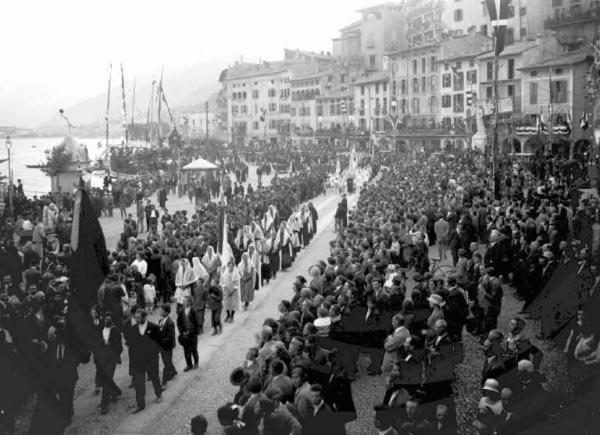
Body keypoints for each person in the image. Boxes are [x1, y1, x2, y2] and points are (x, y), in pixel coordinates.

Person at [129, 309, 162, 412]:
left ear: (144, 317)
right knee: (139, 383)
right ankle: (140, 404)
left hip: (151, 359)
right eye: (135, 318)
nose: (136, 320)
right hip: (139, 361)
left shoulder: (154, 327)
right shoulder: (133, 329)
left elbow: (159, 343)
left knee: (154, 377)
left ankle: (158, 394)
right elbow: (132, 346)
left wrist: (154, 355)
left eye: (138, 318)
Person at [96, 312, 122, 415]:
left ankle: (104, 404)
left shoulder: (115, 331)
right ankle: (115, 394)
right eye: (106, 319)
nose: (107, 321)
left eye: (109, 319)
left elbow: (119, 347)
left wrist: (111, 346)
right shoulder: (99, 330)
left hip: (111, 359)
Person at [177, 295, 200, 371]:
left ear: (190, 302)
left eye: (185, 301)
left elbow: (197, 323)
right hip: (184, 334)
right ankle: (189, 365)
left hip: (192, 333)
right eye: (183, 300)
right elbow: (178, 323)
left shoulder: (194, 311)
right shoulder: (181, 311)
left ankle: (196, 363)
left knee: (193, 349)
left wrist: (192, 332)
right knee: (186, 350)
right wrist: (182, 332)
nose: (184, 302)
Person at [157, 304, 177, 386]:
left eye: (161, 311)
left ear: (166, 312)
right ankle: (174, 371)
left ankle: (164, 380)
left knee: (166, 362)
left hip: (168, 346)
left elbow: (170, 337)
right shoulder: (160, 320)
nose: (160, 312)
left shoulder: (170, 323)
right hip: (162, 345)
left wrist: (161, 341)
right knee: (167, 360)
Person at [222, 259, 241, 323]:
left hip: (234, 291)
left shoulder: (235, 274)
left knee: (233, 304)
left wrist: (232, 291)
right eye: (229, 266)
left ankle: (232, 316)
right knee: (226, 304)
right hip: (227, 290)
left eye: (232, 266)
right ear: (228, 266)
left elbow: (237, 284)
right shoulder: (225, 274)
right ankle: (228, 315)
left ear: (233, 266)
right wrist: (227, 290)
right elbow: (223, 283)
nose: (230, 267)